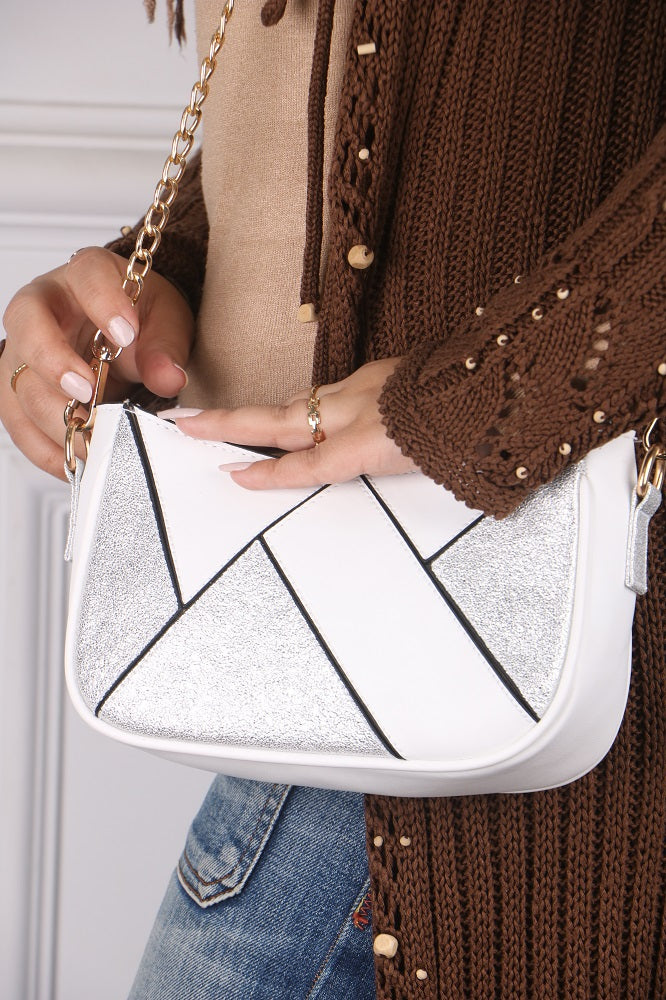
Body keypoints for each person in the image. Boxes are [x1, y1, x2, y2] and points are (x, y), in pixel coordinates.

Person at [1, 2, 664, 998]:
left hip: (503, 633)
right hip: (308, 638)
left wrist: (479, 391)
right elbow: (333, 119)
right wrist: (157, 281)